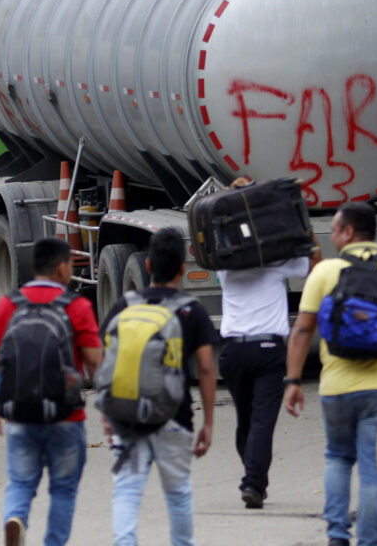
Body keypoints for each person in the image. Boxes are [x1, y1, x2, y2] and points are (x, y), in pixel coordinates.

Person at [284, 202, 377, 546]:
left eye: (335, 229)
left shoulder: (324, 273)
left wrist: (293, 381)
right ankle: (369, 541)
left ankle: (337, 535)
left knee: (337, 457)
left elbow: (303, 330)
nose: (332, 236)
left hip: (336, 386)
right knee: (373, 471)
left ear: (349, 232)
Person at [0, 237, 102, 546]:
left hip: (20, 415)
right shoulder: (77, 306)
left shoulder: (9, 304)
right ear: (62, 267)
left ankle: (15, 518)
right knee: (63, 489)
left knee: (20, 483)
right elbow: (93, 362)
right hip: (66, 416)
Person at [101, 227, 217, 546]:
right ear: (183, 269)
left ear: (148, 266)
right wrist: (208, 421)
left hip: (126, 417)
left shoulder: (124, 305)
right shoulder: (191, 310)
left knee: (126, 489)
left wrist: (106, 411)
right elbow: (206, 367)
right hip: (174, 418)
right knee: (178, 493)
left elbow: (106, 359)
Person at [218, 180, 319, 509]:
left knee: (246, 420)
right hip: (268, 351)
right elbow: (314, 265)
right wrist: (303, 222)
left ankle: (253, 475)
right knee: (262, 421)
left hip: (232, 352)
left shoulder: (225, 266)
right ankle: (253, 482)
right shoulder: (278, 263)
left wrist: (237, 198)